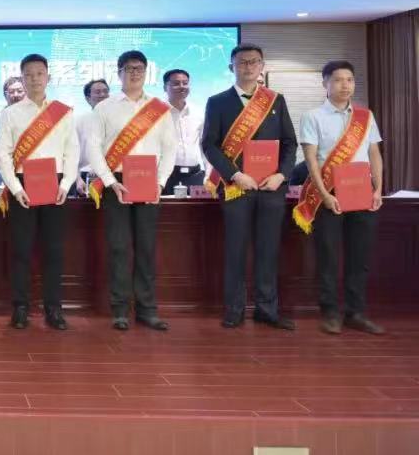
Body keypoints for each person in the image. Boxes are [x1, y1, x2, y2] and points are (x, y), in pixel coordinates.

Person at [201, 43, 297, 330]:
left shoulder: (276, 100)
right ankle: (234, 309)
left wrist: (281, 175)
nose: (248, 66)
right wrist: (234, 174)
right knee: (236, 249)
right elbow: (209, 145)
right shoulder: (217, 102)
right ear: (231, 66)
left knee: (268, 249)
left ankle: (267, 309)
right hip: (236, 188)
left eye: (254, 62)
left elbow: (290, 143)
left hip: (271, 188)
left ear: (262, 66)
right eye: (242, 62)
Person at [88, 50, 177, 332]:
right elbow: (93, 147)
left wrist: (160, 183)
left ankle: (147, 310)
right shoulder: (104, 108)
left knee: (146, 248)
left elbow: (169, 149)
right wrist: (109, 181)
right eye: (129, 68)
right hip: (116, 183)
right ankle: (120, 310)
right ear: (119, 73)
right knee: (119, 248)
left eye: (139, 68)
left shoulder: (160, 109)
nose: (134, 73)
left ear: (146, 72)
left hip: (149, 182)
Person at [298, 60, 385, 335]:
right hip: (329, 194)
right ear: (325, 83)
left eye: (349, 79)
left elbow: (374, 154)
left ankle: (355, 312)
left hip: (362, 193)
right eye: (337, 80)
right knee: (329, 256)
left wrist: (378, 189)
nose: (345, 85)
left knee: (359, 257)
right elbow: (311, 159)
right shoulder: (312, 116)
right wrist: (324, 194)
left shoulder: (365, 116)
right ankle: (330, 313)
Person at [0, 54, 80, 330]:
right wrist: (15, 188)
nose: (34, 79)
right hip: (22, 185)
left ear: (48, 77)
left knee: (53, 250)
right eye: (28, 74)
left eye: (39, 73)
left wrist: (66, 184)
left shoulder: (63, 112)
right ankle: (20, 307)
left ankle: (53, 308)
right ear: (22, 78)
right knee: (21, 249)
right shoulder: (10, 113)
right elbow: (4, 155)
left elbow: (72, 151)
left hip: (56, 186)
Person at [163, 69, 205, 194]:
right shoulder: (157, 114)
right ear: (165, 87)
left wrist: (209, 173)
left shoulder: (198, 112)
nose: (182, 86)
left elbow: (205, 145)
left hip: (195, 175)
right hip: (166, 176)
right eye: (176, 83)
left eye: (185, 83)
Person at [0, 76, 25, 196]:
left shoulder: (35, 118)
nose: (16, 95)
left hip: (28, 181)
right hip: (0, 182)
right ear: (5, 95)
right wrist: (8, 172)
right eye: (11, 92)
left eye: (20, 91)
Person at [74, 78, 110, 196]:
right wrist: (77, 179)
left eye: (105, 91)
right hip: (86, 177)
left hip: (113, 177)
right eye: (98, 92)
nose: (103, 95)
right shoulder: (78, 121)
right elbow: (71, 155)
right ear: (88, 98)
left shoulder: (119, 121)